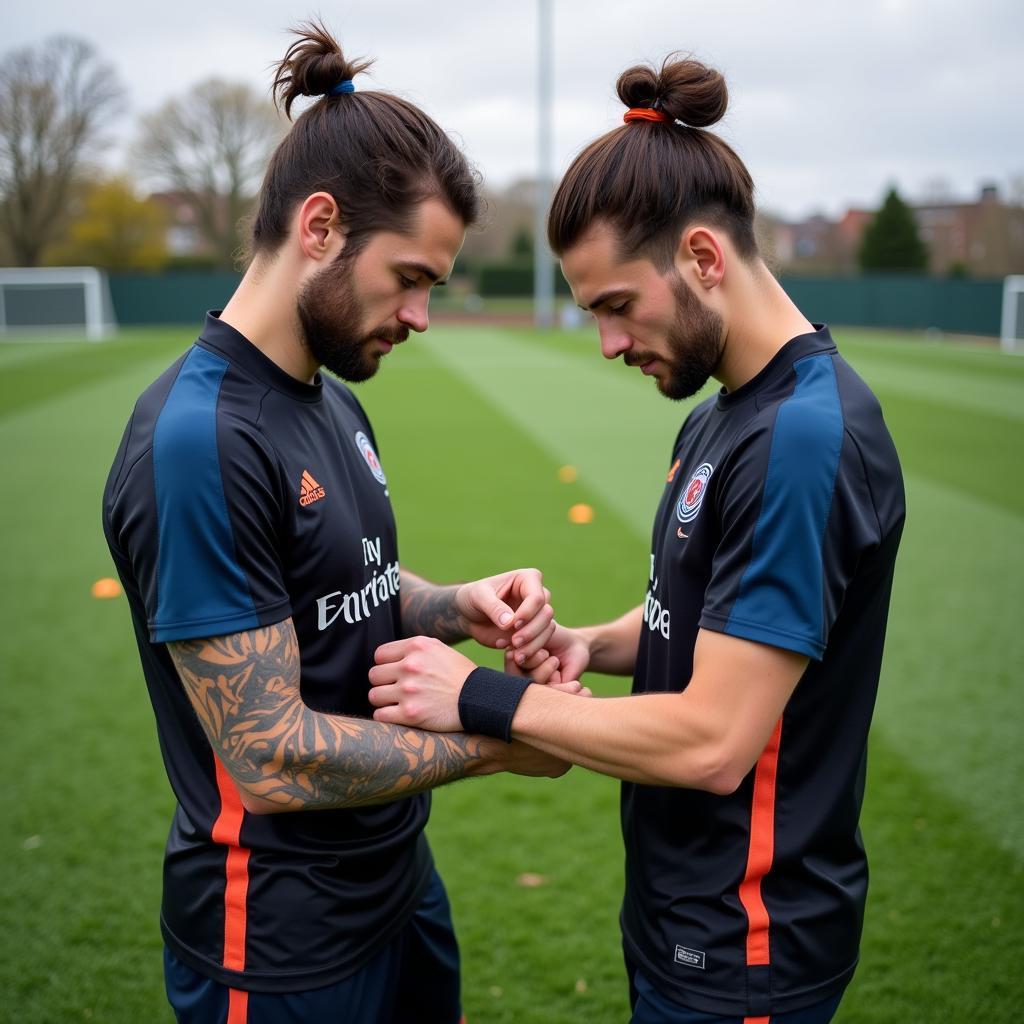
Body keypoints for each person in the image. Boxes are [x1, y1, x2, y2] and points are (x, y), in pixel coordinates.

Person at [367, 54, 906, 1024]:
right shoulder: (724, 415)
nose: (609, 343)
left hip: (747, 944)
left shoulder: (804, 439)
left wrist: (478, 696)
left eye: (617, 304)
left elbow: (711, 741)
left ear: (702, 257)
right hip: (683, 911)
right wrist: (589, 645)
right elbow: (700, 615)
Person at [102, 22, 576, 1024]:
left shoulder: (330, 399)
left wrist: (455, 605)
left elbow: (339, 584)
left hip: (396, 885)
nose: (421, 316)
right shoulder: (201, 439)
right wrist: (504, 736)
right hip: (277, 943)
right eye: (410, 277)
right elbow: (266, 752)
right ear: (319, 226)